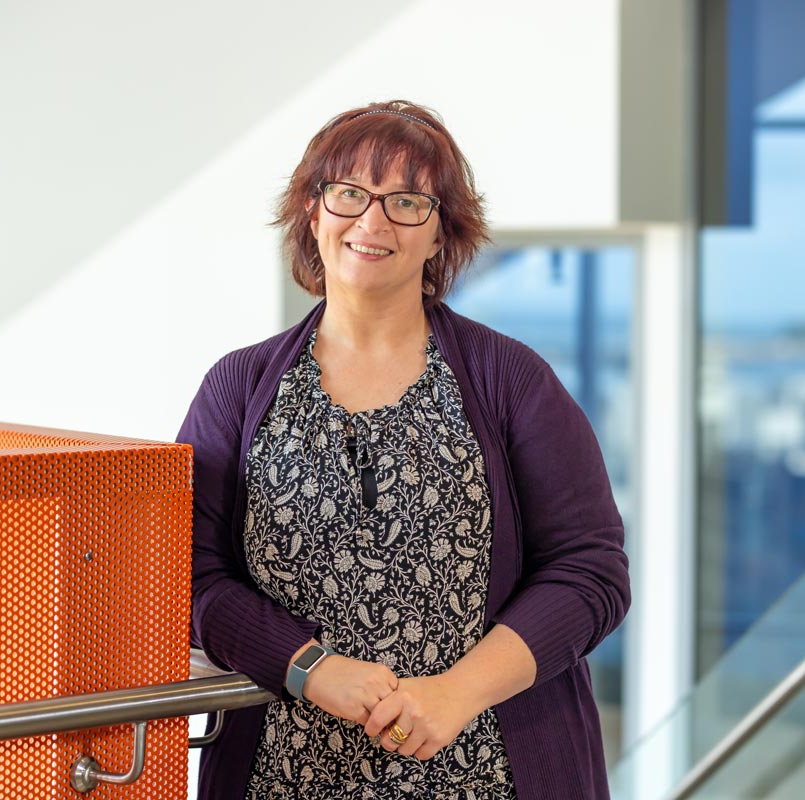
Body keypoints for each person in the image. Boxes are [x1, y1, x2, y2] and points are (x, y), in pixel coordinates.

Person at [177, 99, 630, 799]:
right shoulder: (238, 386)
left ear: (440, 232)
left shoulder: (511, 380)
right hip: (281, 776)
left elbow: (590, 572)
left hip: (489, 774)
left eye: (406, 202)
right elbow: (188, 575)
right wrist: (308, 667)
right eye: (349, 193)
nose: (373, 221)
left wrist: (458, 692)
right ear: (312, 211)